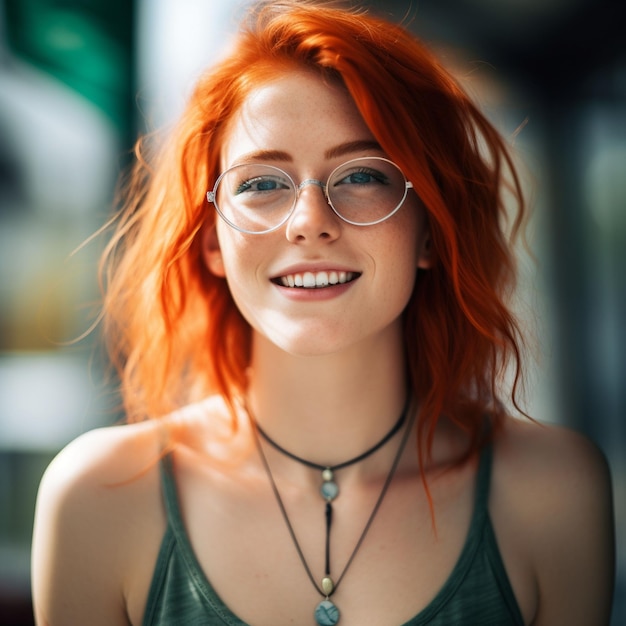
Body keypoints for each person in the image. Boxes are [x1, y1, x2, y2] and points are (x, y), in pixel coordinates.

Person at [31, 1, 615, 624]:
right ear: (211, 242)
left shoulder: (553, 494)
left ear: (429, 232)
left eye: (361, 174)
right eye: (261, 183)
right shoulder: (100, 499)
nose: (310, 222)